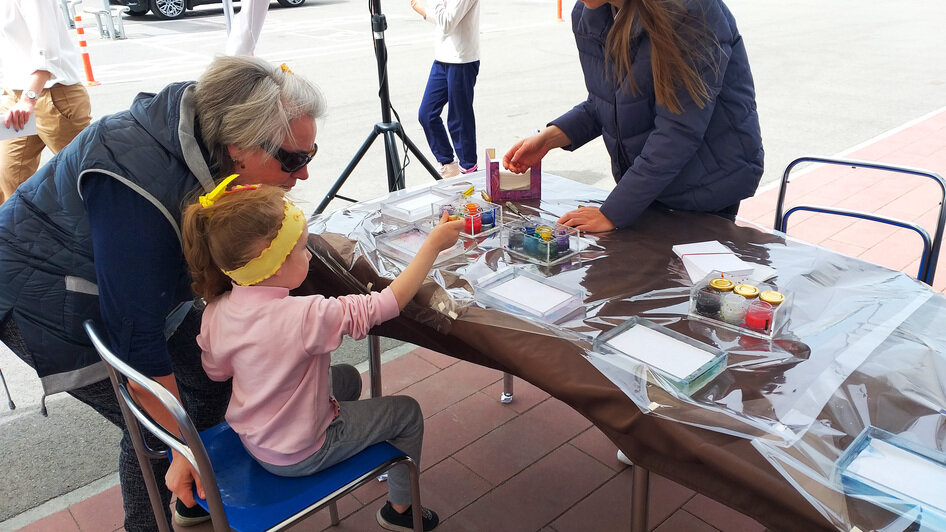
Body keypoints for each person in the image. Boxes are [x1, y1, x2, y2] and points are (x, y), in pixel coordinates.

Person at [0, 56, 324, 530]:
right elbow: (138, 340)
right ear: (239, 146)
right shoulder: (139, 186)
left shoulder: (210, 125)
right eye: (294, 160)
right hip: (46, 293)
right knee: (153, 427)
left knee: (214, 377)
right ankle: (148, 520)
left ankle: (192, 498)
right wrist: (179, 441)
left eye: (309, 156)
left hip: (125, 282)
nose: (303, 175)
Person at [181, 179, 462, 531]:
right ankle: (401, 511)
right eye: (300, 249)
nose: (309, 255)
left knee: (345, 376)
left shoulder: (217, 310)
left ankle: (356, 444)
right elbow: (386, 304)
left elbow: (216, 371)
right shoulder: (306, 315)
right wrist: (432, 246)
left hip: (254, 437)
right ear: (272, 264)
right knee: (407, 412)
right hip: (300, 451)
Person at [503, 0, 763, 232]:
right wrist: (549, 138)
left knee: (687, 280)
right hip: (652, 182)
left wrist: (613, 212)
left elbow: (677, 132)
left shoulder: (691, 10)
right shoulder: (588, 14)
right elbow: (609, 101)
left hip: (707, 183)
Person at [0, 0, 92, 203]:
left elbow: (47, 50)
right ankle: (22, 233)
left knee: (88, 175)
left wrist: (28, 98)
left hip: (53, 96)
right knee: (10, 179)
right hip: (15, 96)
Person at [410, 0, 481, 178]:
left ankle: (469, 171)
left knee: (459, 119)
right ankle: (449, 165)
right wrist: (424, 12)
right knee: (426, 114)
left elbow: (447, 23)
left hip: (462, 60)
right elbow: (445, 21)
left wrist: (427, 9)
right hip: (442, 58)